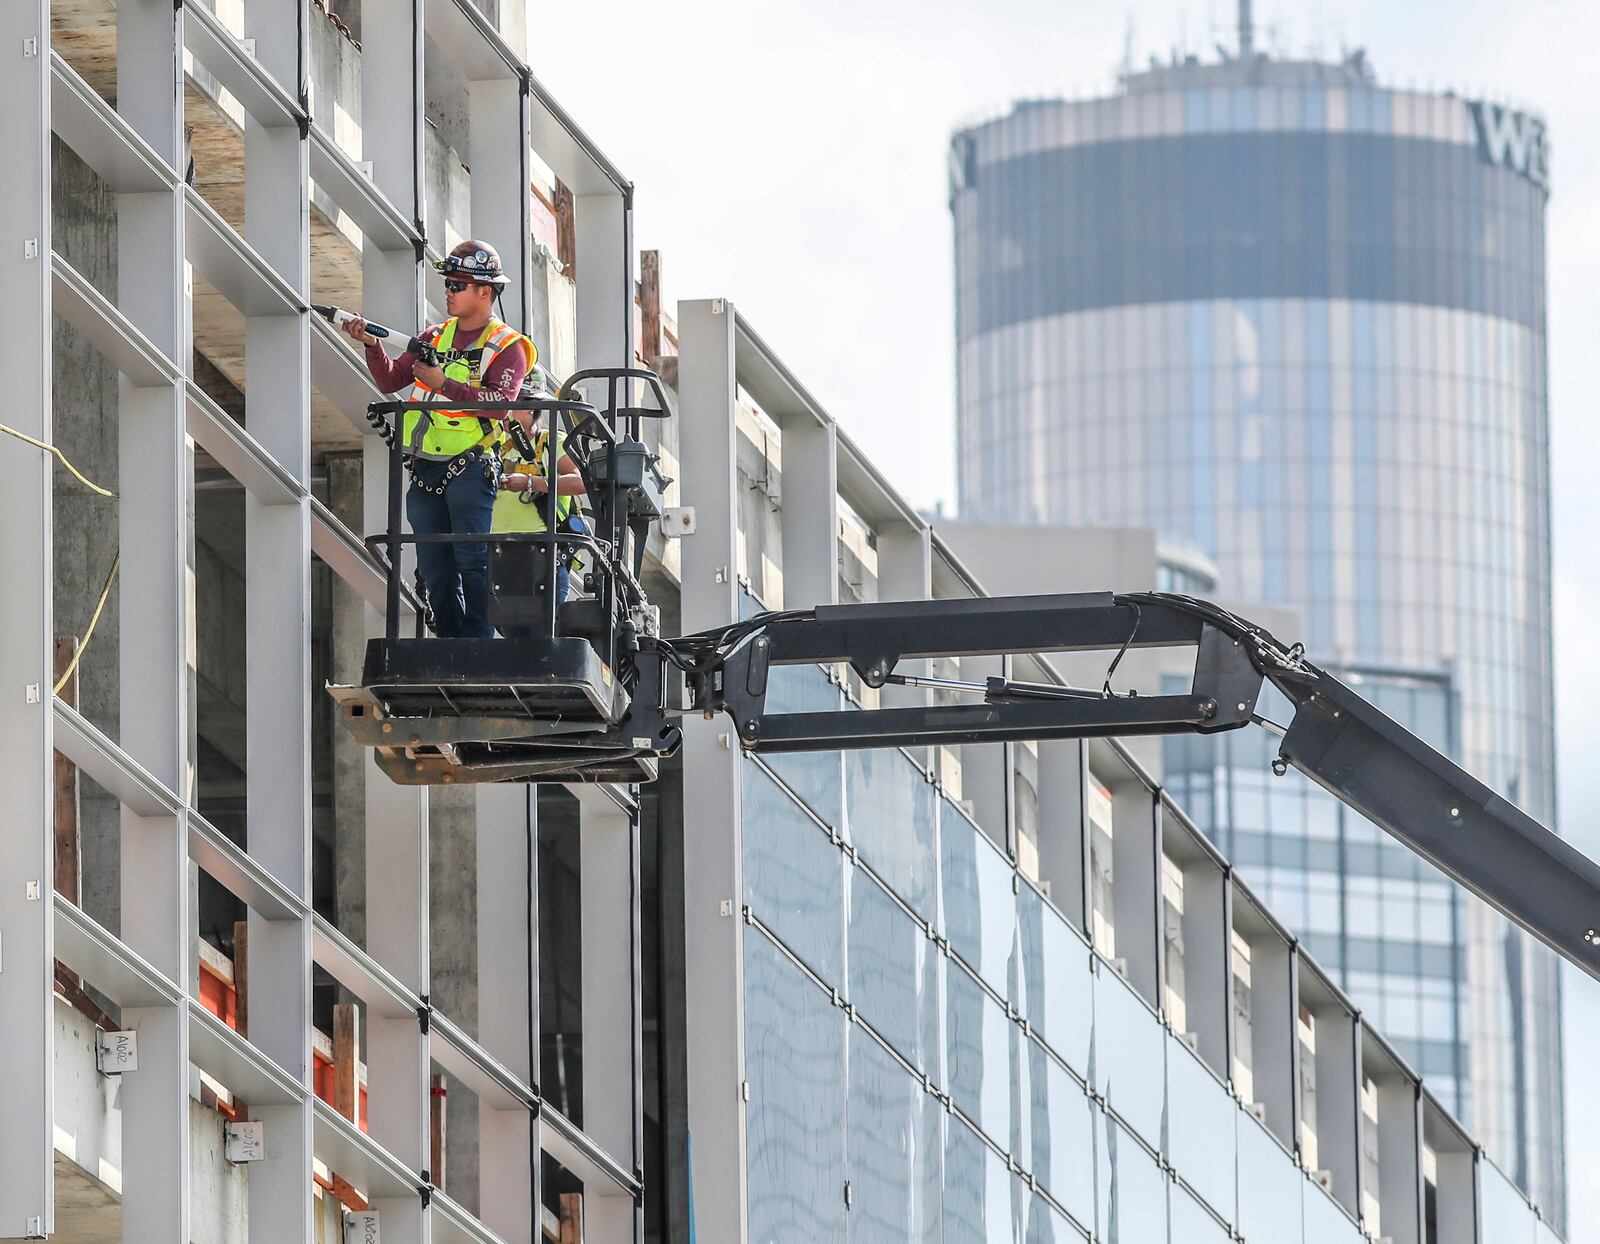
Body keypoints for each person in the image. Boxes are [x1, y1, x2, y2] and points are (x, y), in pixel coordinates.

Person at [341, 241, 533, 638]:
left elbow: (499, 406)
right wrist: (373, 346)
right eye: (447, 283)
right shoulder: (435, 336)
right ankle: (450, 642)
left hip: (470, 467)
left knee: (473, 560)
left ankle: (478, 644)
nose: (448, 290)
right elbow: (392, 380)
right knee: (434, 566)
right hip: (426, 469)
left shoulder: (507, 346)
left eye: (458, 284)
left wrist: (443, 383)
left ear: (485, 291)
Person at [493, 391, 587, 637]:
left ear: (531, 408)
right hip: (500, 551)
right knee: (512, 641)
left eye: (512, 402)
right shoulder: (495, 443)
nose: (505, 410)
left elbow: (580, 482)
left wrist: (530, 482)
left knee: (541, 640)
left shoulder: (550, 440)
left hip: (543, 553)